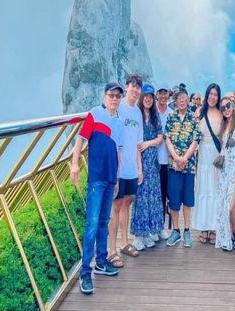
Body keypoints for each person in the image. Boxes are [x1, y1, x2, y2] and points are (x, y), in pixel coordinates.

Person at [71, 82, 124, 294]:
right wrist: (74, 163)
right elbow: (80, 140)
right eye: (111, 95)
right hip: (96, 179)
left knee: (104, 221)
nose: (114, 99)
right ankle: (85, 271)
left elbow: (118, 152)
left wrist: (118, 178)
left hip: (111, 179)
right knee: (92, 224)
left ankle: (101, 262)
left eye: (118, 96)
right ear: (104, 97)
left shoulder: (119, 122)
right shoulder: (94, 114)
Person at [108, 73, 143, 268]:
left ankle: (124, 243)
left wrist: (140, 168)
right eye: (132, 86)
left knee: (127, 202)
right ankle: (111, 250)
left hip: (131, 166)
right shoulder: (118, 107)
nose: (135, 89)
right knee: (116, 204)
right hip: (118, 166)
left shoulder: (137, 112)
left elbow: (138, 143)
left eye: (138, 87)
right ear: (127, 87)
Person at [130, 84, 165, 250]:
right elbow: (135, 142)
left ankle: (151, 230)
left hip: (152, 163)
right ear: (142, 97)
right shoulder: (136, 115)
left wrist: (147, 143)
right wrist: (139, 168)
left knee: (153, 197)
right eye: (146, 96)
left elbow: (160, 138)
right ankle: (139, 235)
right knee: (141, 199)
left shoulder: (154, 116)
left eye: (151, 97)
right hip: (140, 162)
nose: (149, 99)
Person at [165, 87, 201, 247]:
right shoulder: (171, 117)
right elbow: (167, 139)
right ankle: (175, 231)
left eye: (184, 98)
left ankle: (186, 230)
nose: (181, 101)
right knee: (174, 199)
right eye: (179, 98)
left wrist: (184, 159)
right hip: (174, 165)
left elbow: (196, 139)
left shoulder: (193, 118)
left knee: (187, 199)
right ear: (175, 101)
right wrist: (176, 158)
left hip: (188, 166)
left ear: (188, 100)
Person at [191, 83, 223, 245]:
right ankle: (204, 227)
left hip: (216, 155)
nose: (212, 97)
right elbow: (194, 135)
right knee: (204, 189)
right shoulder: (199, 112)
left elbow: (226, 135)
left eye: (215, 94)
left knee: (216, 190)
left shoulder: (222, 112)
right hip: (203, 154)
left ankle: (215, 227)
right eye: (210, 94)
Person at [215, 97, 235, 251]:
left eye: (228, 106)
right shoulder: (224, 126)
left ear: (233, 106)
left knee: (232, 206)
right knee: (225, 205)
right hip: (224, 171)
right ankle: (231, 238)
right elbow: (223, 150)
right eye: (223, 107)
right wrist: (217, 170)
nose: (226, 109)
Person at [156, 83, 172, 239]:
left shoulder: (171, 114)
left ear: (168, 95)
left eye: (165, 93)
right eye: (160, 93)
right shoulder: (152, 113)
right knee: (154, 195)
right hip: (153, 162)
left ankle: (161, 227)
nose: (162, 96)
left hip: (168, 161)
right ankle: (155, 226)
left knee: (165, 195)